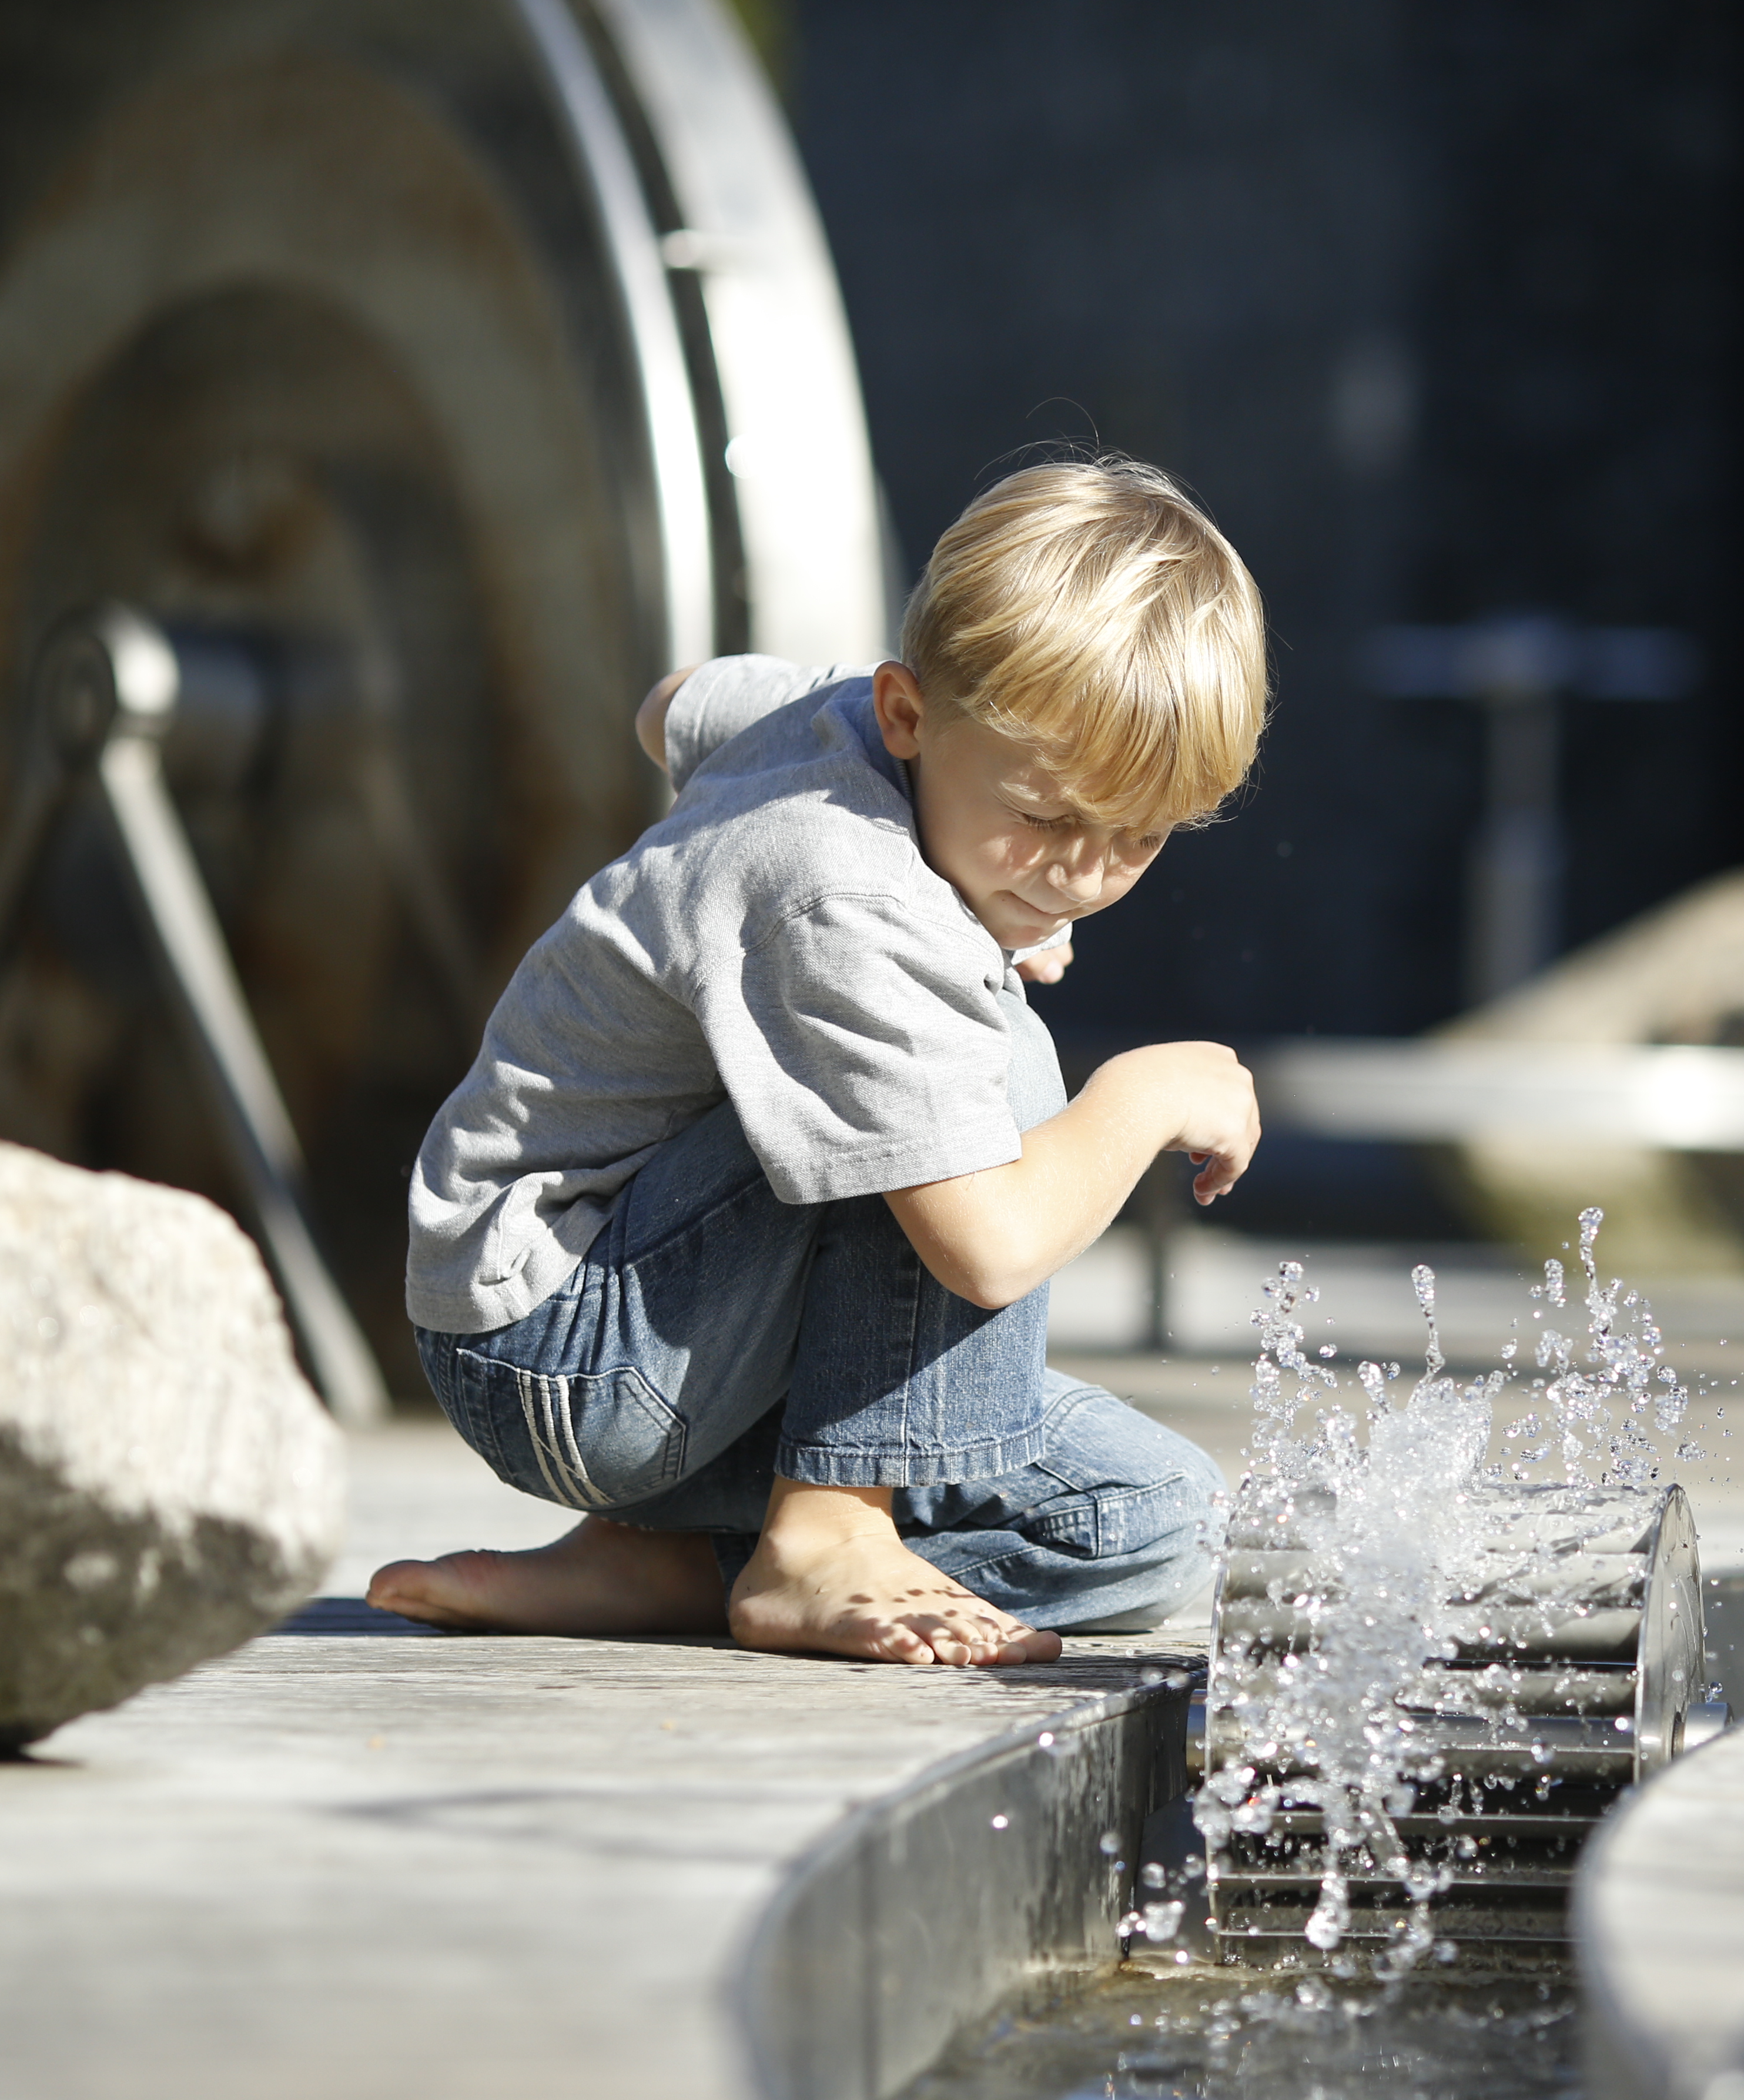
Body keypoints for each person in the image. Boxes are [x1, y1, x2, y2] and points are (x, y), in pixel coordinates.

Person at [368, 459, 1267, 1662]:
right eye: (1047, 818)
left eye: (1138, 838)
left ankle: (672, 1564)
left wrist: (976, 859)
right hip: (561, 1343)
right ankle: (826, 1536)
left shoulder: (839, 716)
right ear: (907, 714)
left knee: (1163, 1520)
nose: (1084, 876)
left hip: (692, 1356)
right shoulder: (850, 897)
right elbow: (987, 1248)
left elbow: (672, 704)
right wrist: (1143, 1097)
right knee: (999, 1068)